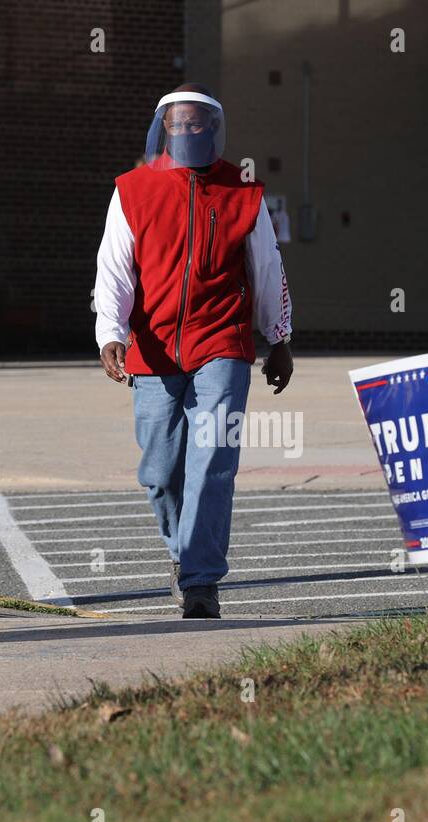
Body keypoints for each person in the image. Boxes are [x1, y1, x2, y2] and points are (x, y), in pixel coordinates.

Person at [93, 83, 294, 619]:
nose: (187, 131)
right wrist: (110, 332)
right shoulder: (133, 189)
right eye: (178, 124)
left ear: (212, 129)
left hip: (223, 345)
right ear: (164, 130)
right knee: (160, 473)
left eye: (197, 123)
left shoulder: (243, 191)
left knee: (212, 464)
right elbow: (114, 268)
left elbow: (267, 268)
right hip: (154, 350)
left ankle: (202, 582)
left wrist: (279, 338)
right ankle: (183, 558)